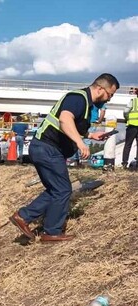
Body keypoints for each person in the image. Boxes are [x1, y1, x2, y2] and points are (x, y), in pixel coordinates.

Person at [9, 73, 119, 243]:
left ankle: (23, 216)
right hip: (48, 148)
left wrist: (91, 135)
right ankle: (50, 231)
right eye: (110, 94)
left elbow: (72, 125)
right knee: (63, 190)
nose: (109, 99)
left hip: (46, 149)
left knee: (56, 189)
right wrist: (80, 143)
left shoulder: (86, 104)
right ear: (99, 89)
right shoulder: (78, 98)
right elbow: (65, 119)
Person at [122, 89, 138, 169]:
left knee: (128, 145)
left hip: (132, 126)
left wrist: (127, 118)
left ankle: (124, 163)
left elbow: (126, 111)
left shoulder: (134, 101)